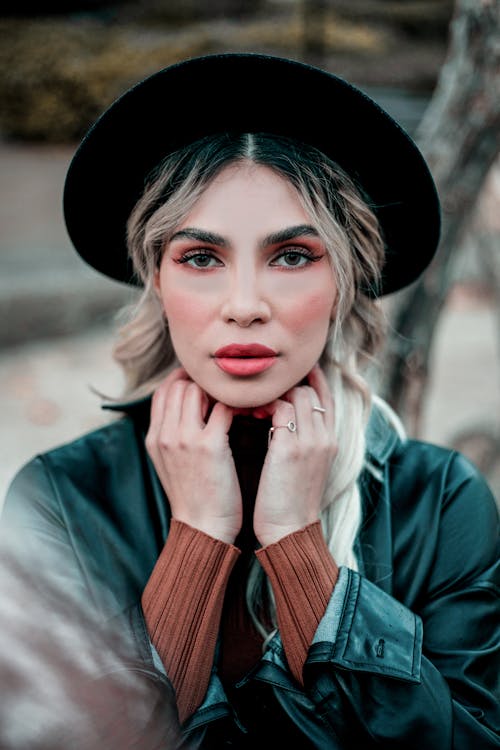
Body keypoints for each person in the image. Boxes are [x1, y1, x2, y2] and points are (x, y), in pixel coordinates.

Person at [1, 53, 499, 748]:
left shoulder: (440, 501)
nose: (243, 307)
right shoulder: (59, 498)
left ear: (345, 281)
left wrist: (298, 546)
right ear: (156, 280)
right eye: (200, 258)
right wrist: (199, 534)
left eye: (292, 256)